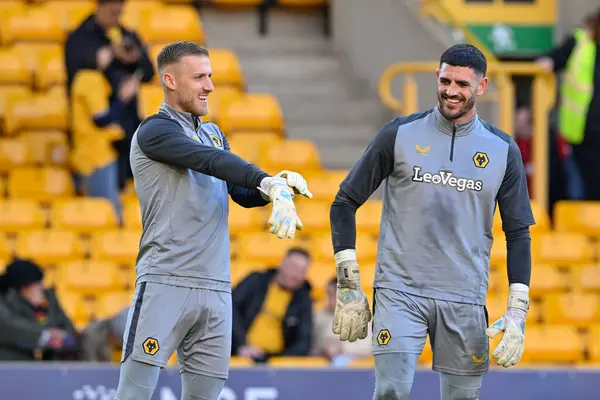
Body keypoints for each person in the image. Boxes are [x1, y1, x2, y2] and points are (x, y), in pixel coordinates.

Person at [329, 44, 535, 400]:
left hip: (465, 298)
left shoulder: (503, 150)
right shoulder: (399, 134)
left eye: (462, 84)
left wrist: (517, 312)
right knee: (390, 391)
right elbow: (344, 203)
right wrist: (348, 283)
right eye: (445, 80)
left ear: (482, 86)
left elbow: (518, 233)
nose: (451, 91)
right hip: (399, 291)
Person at [114, 41, 311, 400]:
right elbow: (207, 161)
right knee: (133, 394)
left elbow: (241, 192)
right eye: (200, 77)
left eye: (211, 76)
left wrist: (275, 186)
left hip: (217, 287)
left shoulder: (213, 133)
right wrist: (264, 178)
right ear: (170, 81)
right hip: (166, 281)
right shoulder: (153, 131)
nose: (210, 86)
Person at [65, 0, 155, 191]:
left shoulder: (126, 35)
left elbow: (149, 73)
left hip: (126, 124)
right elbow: (76, 70)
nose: (116, 18)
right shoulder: (80, 37)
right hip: (96, 132)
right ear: (99, 6)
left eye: (119, 13)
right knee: (102, 203)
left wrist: (136, 57)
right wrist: (112, 53)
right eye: (112, 12)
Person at [536, 7, 600, 200]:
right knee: (582, 191)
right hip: (582, 136)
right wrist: (546, 63)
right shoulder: (580, 42)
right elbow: (552, 59)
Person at [231, 248, 313, 363]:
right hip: (239, 353)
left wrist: (280, 361)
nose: (296, 274)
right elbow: (230, 309)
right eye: (293, 267)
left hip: (276, 362)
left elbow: (304, 340)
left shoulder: (303, 298)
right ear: (282, 264)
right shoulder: (256, 281)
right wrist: (241, 345)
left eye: (302, 270)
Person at [0, 259, 79, 361]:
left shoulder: (47, 300)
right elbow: (12, 327)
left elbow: (66, 329)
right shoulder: (5, 303)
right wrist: (48, 335)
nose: (40, 288)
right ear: (20, 288)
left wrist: (40, 309)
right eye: (34, 285)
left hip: (46, 367)